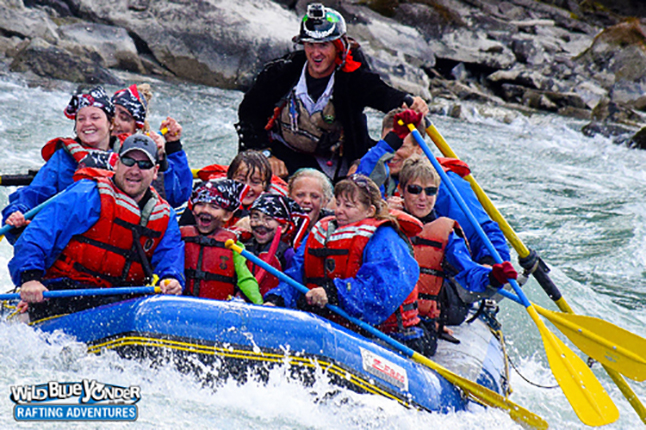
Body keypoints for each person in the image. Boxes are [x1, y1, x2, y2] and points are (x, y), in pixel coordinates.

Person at [236, 3, 429, 181]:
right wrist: (265, 153)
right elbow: (249, 112)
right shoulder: (281, 72)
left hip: (332, 162)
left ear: (338, 47)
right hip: (280, 153)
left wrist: (406, 100)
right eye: (310, 45)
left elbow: (379, 92)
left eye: (323, 45)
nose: (316, 53)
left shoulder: (352, 78)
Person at [10, 134, 185, 322]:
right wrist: (30, 278)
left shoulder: (165, 216)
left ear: (155, 171)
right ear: (117, 163)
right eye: (128, 161)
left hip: (121, 303)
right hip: (64, 293)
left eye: (144, 165)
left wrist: (172, 279)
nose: (135, 170)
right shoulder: (86, 194)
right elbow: (39, 235)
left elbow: (171, 256)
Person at [264, 174, 437, 357]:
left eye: (348, 206)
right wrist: (277, 299)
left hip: (388, 336)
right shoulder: (322, 231)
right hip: (331, 327)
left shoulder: (384, 237)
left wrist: (333, 293)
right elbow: (296, 274)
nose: (339, 211)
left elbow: (383, 292)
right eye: (338, 203)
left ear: (369, 211)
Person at [357, 108, 510, 265]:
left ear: (419, 148)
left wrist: (492, 265)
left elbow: (482, 230)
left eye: (400, 145)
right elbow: (359, 189)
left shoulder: (443, 183)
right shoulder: (381, 175)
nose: (392, 153)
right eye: (390, 144)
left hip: (440, 271)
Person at [397, 155, 517, 347]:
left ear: (437, 195)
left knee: (421, 343)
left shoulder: (446, 233)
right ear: (401, 190)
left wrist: (493, 276)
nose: (422, 198)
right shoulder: (386, 220)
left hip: (419, 321)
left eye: (430, 192)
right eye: (414, 190)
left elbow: (469, 272)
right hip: (385, 314)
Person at [2, 86, 118, 243]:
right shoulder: (63, 159)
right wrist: (17, 212)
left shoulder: (130, 158)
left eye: (95, 117)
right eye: (81, 119)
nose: (87, 124)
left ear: (111, 123)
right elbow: (35, 193)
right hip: (71, 242)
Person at [111, 83, 193, 208]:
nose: (115, 122)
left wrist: (172, 147)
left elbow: (179, 196)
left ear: (137, 127)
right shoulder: (89, 142)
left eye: (123, 118)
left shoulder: (148, 154)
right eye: (111, 116)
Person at [181, 178, 262, 304]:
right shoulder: (179, 238)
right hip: (180, 305)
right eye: (200, 204)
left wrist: (259, 305)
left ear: (227, 215)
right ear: (192, 209)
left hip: (217, 309)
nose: (205, 210)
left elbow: (245, 279)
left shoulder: (233, 245)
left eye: (214, 207)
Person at [244, 194, 309, 296]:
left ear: (283, 226)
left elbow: (291, 284)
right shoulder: (244, 247)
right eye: (255, 217)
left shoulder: (287, 253)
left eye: (268, 219)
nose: (260, 223)